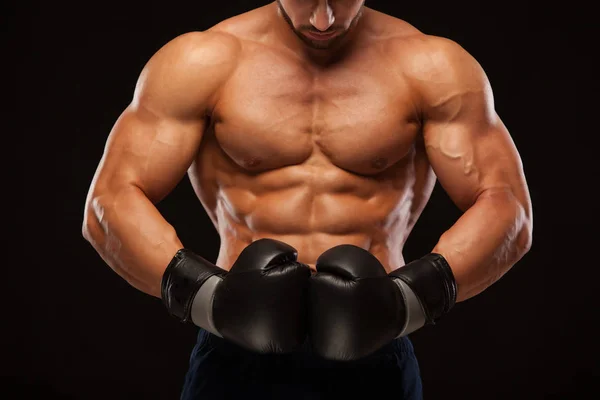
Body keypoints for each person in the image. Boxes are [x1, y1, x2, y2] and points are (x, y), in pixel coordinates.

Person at [82, 1, 533, 399]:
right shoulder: (203, 60)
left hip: (377, 347)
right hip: (234, 347)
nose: (323, 18)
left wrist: (406, 303)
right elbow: (108, 202)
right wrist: (211, 300)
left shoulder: (431, 66)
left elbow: (508, 208)